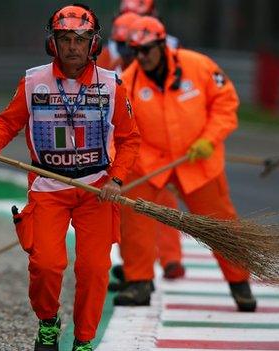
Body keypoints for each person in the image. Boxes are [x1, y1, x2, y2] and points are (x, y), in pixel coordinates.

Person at [0, 4, 140, 351]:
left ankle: (84, 340)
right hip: (47, 184)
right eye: (65, 39)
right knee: (46, 265)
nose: (73, 46)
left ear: (94, 42)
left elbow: (129, 139)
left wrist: (116, 180)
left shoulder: (111, 85)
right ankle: (48, 322)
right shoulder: (33, 81)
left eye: (80, 38)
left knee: (93, 270)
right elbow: (7, 123)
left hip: (95, 189)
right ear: (53, 43)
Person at [113, 16, 257, 312]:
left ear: (162, 45)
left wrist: (209, 138)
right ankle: (138, 283)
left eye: (147, 50)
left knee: (221, 224)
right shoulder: (127, 82)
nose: (141, 57)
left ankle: (239, 284)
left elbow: (225, 104)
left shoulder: (199, 66)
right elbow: (121, 130)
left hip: (197, 159)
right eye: (135, 51)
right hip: (149, 162)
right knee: (135, 218)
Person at [100, 2, 186, 292]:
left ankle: (171, 258)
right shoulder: (106, 56)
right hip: (126, 142)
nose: (132, 52)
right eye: (125, 45)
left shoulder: (170, 50)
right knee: (126, 206)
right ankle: (133, 264)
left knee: (164, 197)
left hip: (160, 142)